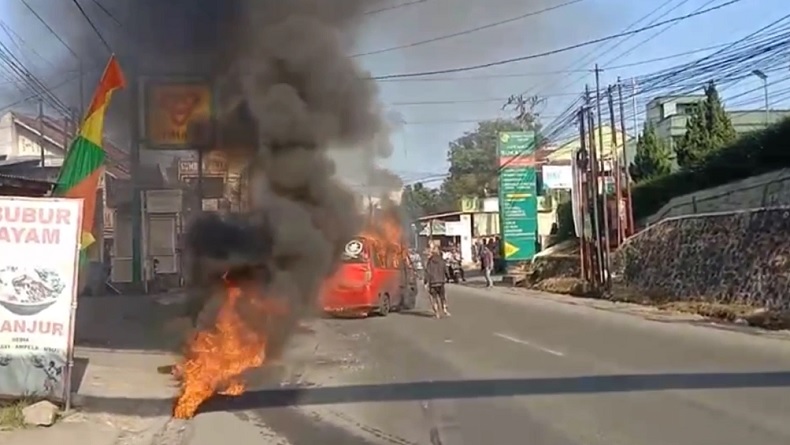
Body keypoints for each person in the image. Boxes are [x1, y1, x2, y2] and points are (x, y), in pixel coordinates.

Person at [424, 246, 449, 318]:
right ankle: (445, 310)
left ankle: (437, 313)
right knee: (442, 297)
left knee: (434, 298)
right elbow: (445, 269)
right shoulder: (441, 260)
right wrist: (447, 277)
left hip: (433, 283)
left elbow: (427, 272)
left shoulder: (429, 262)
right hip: (441, 282)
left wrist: (426, 281)